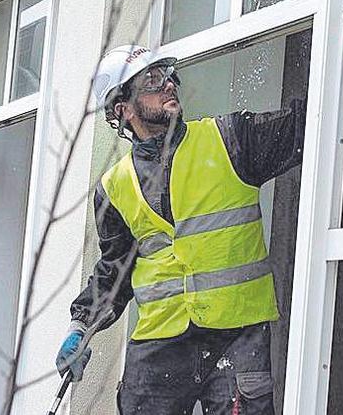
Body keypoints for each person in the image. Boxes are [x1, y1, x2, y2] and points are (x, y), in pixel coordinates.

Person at [55, 45, 306, 414]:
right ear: (122, 108)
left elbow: (309, 121)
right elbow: (114, 271)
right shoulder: (114, 187)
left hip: (235, 337)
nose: (169, 85)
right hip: (159, 345)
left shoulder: (230, 139)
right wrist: (81, 325)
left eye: (170, 75)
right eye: (152, 80)